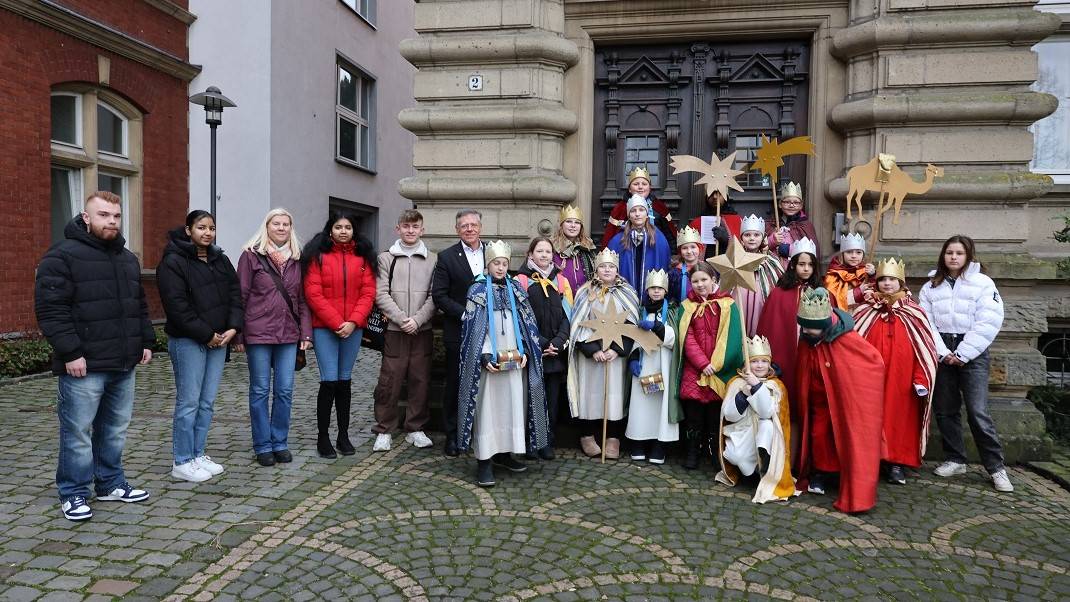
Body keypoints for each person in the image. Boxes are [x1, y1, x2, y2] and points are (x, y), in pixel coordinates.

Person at [35, 191, 155, 521]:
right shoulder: (62, 256)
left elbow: (138, 306)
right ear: (86, 218)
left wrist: (145, 340)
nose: (111, 221)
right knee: (77, 432)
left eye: (116, 216)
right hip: (83, 365)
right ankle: (73, 493)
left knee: (114, 429)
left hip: (123, 361)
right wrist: (70, 352)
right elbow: (50, 309)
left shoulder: (127, 259)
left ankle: (110, 483)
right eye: (103, 215)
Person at [918, 235, 1012, 492]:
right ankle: (955, 458)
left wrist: (963, 353)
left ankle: (996, 467)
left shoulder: (982, 283)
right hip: (942, 350)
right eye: (949, 252)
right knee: (946, 409)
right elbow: (925, 321)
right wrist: (943, 352)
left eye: (959, 253)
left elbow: (989, 320)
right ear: (943, 255)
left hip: (973, 350)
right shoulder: (931, 286)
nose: (954, 257)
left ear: (968, 255)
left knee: (977, 411)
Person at [157, 210, 243, 482]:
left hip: (219, 340)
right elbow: (177, 307)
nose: (208, 232)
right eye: (201, 227)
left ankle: (197, 453)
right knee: (189, 402)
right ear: (188, 230)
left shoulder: (220, 259)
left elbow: (235, 296)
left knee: (206, 402)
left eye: (212, 228)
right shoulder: (173, 261)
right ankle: (182, 461)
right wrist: (207, 334)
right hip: (189, 341)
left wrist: (232, 328)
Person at [457, 241, 550, 487]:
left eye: (504, 264)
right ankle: (485, 460)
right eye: (496, 263)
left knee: (512, 406)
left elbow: (527, 325)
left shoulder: (517, 290)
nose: (500, 268)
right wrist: (485, 355)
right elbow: (474, 329)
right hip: (490, 364)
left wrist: (527, 350)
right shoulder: (477, 291)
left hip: (514, 363)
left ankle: (506, 454)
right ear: (488, 265)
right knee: (488, 409)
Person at [794, 287, 885, 513]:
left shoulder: (846, 338)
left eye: (811, 328)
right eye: (803, 326)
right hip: (817, 401)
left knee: (846, 436)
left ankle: (850, 482)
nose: (806, 331)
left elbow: (873, 362)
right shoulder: (807, 338)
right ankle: (821, 473)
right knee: (817, 435)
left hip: (842, 401)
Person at [234, 208, 312, 467]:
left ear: (291, 228)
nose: (281, 228)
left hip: (288, 335)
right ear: (266, 227)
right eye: (276, 223)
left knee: (285, 390)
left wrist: (306, 333)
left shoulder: (298, 260)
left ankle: (280, 442)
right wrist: (239, 334)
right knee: (259, 390)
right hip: (258, 333)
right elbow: (241, 296)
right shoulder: (251, 257)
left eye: (286, 224)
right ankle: (262, 445)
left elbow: (302, 300)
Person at [853, 258, 937, 485]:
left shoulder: (914, 312)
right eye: (883, 279)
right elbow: (851, 347)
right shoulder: (863, 311)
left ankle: (895, 463)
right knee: (869, 418)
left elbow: (924, 349)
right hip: (869, 379)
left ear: (901, 282)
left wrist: (921, 379)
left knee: (898, 418)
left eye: (892, 279)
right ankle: (869, 460)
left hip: (901, 379)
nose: (887, 284)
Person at [302, 210, 377, 459]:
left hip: (353, 328)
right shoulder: (318, 256)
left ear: (354, 230)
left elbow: (368, 292)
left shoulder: (363, 256)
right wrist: (337, 322)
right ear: (330, 230)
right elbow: (313, 293)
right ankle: (323, 437)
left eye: (347, 227)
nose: (343, 231)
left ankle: (343, 436)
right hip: (326, 327)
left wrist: (353, 322)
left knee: (345, 381)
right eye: (338, 227)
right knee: (329, 381)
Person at [371, 209, 437, 452]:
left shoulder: (432, 259)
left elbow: (434, 295)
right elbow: (380, 293)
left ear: (422, 230)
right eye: (406, 226)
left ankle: (415, 428)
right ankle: (384, 428)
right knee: (390, 379)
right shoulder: (386, 258)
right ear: (397, 229)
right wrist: (401, 319)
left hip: (422, 329)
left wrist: (417, 321)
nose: (410, 231)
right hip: (395, 330)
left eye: (415, 226)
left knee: (420, 379)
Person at [567, 248, 640, 460]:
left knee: (614, 395)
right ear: (596, 270)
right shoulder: (585, 292)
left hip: (614, 356)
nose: (607, 270)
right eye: (602, 266)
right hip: (591, 354)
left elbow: (632, 325)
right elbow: (578, 324)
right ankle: (587, 436)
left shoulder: (627, 292)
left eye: (611, 266)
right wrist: (594, 350)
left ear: (616, 270)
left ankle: (613, 438)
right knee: (590, 395)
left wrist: (616, 351)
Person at [674, 261, 746, 470]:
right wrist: (702, 363)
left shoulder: (727, 304)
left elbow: (731, 337)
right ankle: (692, 450)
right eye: (695, 281)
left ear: (714, 280)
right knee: (694, 416)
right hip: (695, 370)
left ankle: (715, 451)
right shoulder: (687, 307)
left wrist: (715, 365)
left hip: (719, 370)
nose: (700, 284)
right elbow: (687, 338)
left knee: (716, 415)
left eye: (704, 279)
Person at [715, 335, 796, 503]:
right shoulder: (736, 383)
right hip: (742, 432)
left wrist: (757, 387)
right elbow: (729, 415)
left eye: (764, 361)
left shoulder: (776, 385)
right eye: (754, 361)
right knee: (738, 458)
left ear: (770, 363)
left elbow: (767, 412)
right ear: (746, 363)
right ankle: (751, 472)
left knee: (766, 425)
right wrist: (744, 394)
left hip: (766, 435)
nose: (759, 365)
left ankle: (765, 464)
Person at [432, 209, 486, 457]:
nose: (469, 229)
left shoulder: (494, 253)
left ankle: (481, 434)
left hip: (490, 333)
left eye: (473, 224)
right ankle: (452, 435)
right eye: (464, 225)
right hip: (459, 330)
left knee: (486, 384)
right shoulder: (446, 257)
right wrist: (465, 313)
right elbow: (439, 295)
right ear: (457, 230)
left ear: (480, 228)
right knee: (455, 384)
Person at [756, 237, 821, 438]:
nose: (806, 269)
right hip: (786, 358)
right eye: (802, 264)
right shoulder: (778, 294)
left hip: (810, 357)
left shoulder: (821, 293)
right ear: (792, 265)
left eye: (810, 265)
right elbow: (769, 327)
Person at [516, 237, 573, 460]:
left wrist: (557, 343)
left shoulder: (561, 281)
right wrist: (540, 343)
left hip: (555, 351)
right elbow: (520, 316)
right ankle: (530, 441)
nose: (544, 255)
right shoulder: (520, 280)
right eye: (539, 251)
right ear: (530, 254)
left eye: (548, 251)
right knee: (530, 397)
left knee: (552, 398)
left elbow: (569, 316)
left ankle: (546, 440)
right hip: (532, 349)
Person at [624, 269, 678, 464]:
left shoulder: (672, 310)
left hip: (663, 363)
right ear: (647, 290)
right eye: (653, 288)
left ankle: (659, 444)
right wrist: (632, 359)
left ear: (665, 291)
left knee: (659, 405)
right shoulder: (640, 310)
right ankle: (638, 443)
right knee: (640, 404)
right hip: (644, 362)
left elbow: (675, 340)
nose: (656, 291)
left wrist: (657, 327)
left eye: (660, 288)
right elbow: (632, 337)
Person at [606, 194, 672, 301]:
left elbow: (664, 265)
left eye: (641, 210)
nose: (637, 214)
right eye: (633, 211)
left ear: (647, 214)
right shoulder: (618, 240)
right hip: (624, 298)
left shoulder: (659, 238)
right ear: (628, 215)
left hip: (651, 298)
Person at [731, 214, 785, 336]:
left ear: (763, 237)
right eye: (747, 235)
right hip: (741, 302)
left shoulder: (771, 260)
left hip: (762, 303)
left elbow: (779, 281)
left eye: (756, 235)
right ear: (741, 238)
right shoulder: (734, 259)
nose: (752, 238)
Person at [600, 166, 677, 247]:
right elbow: (610, 235)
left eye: (644, 184)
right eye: (636, 184)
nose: (640, 187)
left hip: (654, 252)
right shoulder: (619, 209)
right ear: (629, 189)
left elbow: (669, 235)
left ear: (649, 188)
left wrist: (673, 255)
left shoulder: (660, 207)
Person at [766, 181, 820, 269]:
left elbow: (812, 252)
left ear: (801, 205)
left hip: (795, 271)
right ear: (780, 204)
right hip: (773, 269)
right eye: (787, 202)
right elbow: (759, 247)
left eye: (796, 202)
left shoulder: (805, 225)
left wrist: (788, 249)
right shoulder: (770, 224)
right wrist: (773, 240)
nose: (791, 205)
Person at [824, 233, 875, 311]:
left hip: (861, 314)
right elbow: (833, 298)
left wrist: (872, 276)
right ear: (842, 254)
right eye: (849, 252)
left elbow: (874, 294)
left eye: (858, 252)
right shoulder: (834, 274)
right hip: (842, 315)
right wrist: (858, 291)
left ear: (863, 255)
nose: (854, 256)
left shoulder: (865, 271)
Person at [552, 204, 596, 293]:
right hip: (560, 298)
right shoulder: (552, 247)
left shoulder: (587, 247)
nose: (573, 225)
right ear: (561, 225)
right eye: (568, 221)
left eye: (577, 222)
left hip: (584, 298)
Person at [688, 190, 742, 259]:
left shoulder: (736, 220)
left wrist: (727, 238)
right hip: (705, 265)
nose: (715, 197)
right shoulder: (697, 223)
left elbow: (742, 248)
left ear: (726, 197)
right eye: (711, 194)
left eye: (719, 194)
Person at [667, 225, 703, 304]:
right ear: (680, 251)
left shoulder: (707, 270)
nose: (689, 251)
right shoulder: (674, 274)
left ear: (699, 248)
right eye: (685, 248)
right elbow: (668, 297)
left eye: (693, 247)